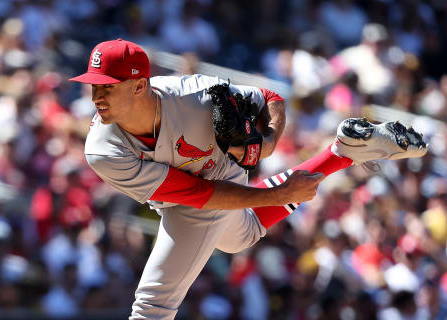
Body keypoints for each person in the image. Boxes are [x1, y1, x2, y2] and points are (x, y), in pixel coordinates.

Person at [69, 39, 428, 320]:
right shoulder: (103, 149)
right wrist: (279, 195)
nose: (97, 95)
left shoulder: (194, 94)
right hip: (191, 193)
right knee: (242, 235)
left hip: (220, 173)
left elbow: (271, 98)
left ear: (138, 86)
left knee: (151, 306)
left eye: (107, 86)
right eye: (93, 86)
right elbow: (197, 193)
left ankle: (343, 154)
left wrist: (268, 143)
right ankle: (342, 152)